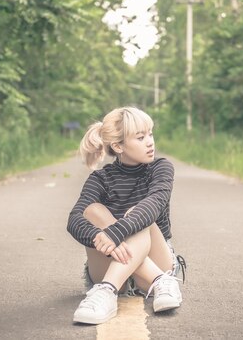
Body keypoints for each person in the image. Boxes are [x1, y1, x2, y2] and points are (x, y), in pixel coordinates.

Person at [67, 106, 185, 325]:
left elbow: (155, 203)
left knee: (139, 212)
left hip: (157, 259)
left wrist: (114, 233)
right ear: (118, 145)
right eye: (141, 137)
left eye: (150, 134)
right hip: (110, 262)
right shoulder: (100, 179)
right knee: (93, 211)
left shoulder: (160, 168)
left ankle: (114, 287)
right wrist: (100, 237)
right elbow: (74, 219)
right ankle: (137, 284)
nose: (150, 142)